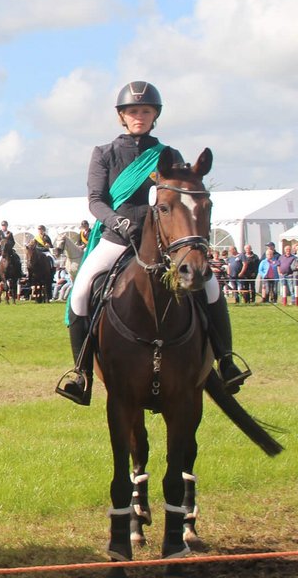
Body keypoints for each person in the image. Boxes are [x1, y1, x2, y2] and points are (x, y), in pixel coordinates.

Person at [57, 81, 247, 405]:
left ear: (154, 115)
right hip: (118, 237)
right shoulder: (104, 153)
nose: (139, 116)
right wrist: (119, 222)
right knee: (82, 290)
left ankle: (226, 360)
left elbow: (181, 199)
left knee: (210, 287)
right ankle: (81, 373)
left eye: (145, 111)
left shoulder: (168, 154)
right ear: (122, 116)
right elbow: (95, 200)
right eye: (133, 111)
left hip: (164, 241)